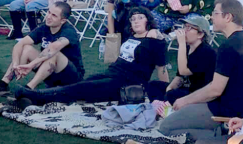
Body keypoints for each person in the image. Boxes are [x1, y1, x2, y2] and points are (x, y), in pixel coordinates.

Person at [12, 6, 167, 107]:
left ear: (148, 20)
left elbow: (162, 69)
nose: (135, 21)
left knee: (82, 88)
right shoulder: (131, 37)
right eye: (132, 19)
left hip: (128, 82)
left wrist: (165, 92)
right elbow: (111, 54)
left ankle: (34, 95)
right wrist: (108, 15)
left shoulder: (155, 40)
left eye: (140, 17)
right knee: (83, 86)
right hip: (112, 73)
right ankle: (37, 98)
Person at [157, 0, 243, 140]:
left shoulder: (229, 46)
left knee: (165, 127)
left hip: (224, 110)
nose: (211, 16)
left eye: (215, 13)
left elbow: (215, 90)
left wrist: (185, 100)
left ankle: (220, 133)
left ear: (228, 17)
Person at [0, 1, 84, 96]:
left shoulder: (69, 31)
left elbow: (54, 48)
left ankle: (28, 90)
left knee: (54, 53)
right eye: (48, 12)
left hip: (71, 77)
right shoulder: (45, 27)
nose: (48, 17)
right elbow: (19, 44)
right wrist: (16, 64)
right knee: (26, 48)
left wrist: (31, 65)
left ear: (63, 20)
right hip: (51, 74)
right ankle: (3, 84)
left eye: (54, 15)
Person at [145, 14, 216, 102]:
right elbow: (179, 76)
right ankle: (161, 109)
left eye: (189, 28)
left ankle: (165, 109)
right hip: (184, 89)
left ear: (200, 34)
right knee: (153, 85)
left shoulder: (206, 52)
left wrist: (182, 43)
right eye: (185, 27)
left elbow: (184, 71)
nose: (184, 30)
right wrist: (169, 88)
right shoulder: (187, 48)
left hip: (197, 93)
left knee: (172, 95)